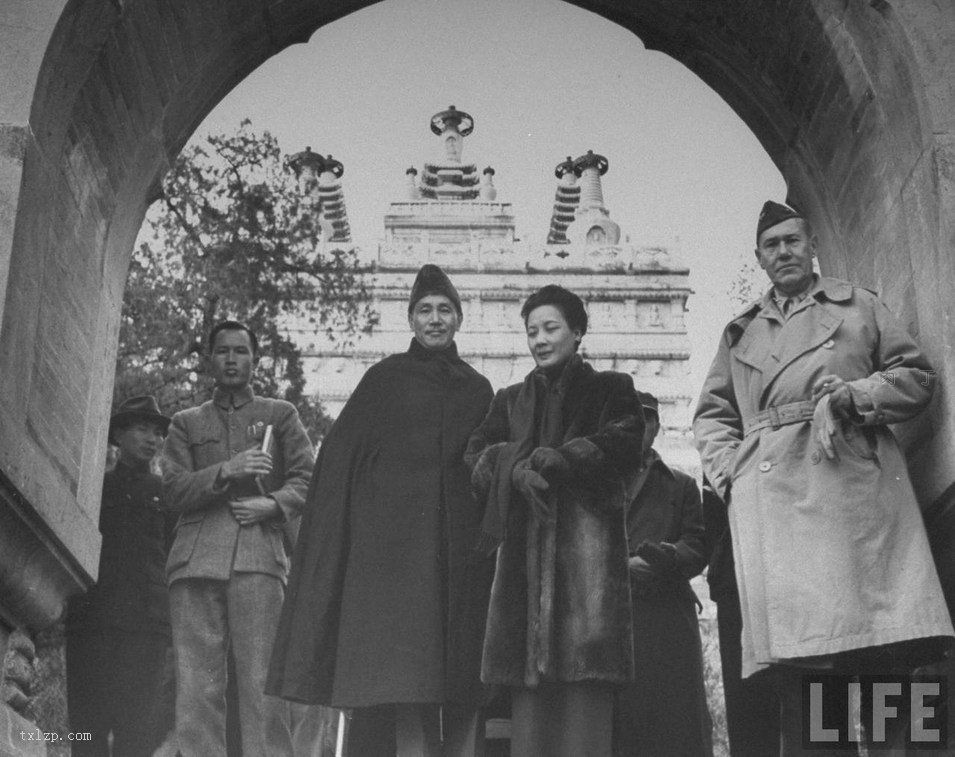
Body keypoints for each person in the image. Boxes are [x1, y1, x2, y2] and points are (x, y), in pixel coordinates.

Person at [693, 201, 953, 754]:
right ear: (759, 258)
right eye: (772, 245)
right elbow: (713, 415)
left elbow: (917, 376)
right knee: (812, 672)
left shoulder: (859, 306)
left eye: (792, 240)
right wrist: (735, 478)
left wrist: (856, 396)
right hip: (779, 502)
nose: (783, 251)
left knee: (889, 654)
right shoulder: (740, 333)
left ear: (812, 245)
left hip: (857, 487)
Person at [267, 264, 495, 756]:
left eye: (444, 311)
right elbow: (339, 461)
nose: (435, 320)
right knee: (405, 682)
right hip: (396, 561)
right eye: (424, 311)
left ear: (459, 319)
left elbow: (486, 468)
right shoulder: (384, 379)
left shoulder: (479, 390)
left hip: (460, 559)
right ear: (410, 320)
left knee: (461, 679)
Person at [464, 284, 644, 757]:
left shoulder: (611, 388)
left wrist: (565, 458)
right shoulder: (509, 400)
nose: (540, 340)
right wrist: (515, 469)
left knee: (585, 725)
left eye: (551, 328)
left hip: (587, 583)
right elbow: (475, 456)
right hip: (521, 585)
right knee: (530, 729)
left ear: (577, 332)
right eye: (531, 332)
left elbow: (627, 439)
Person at [162, 320, 314, 756]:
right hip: (194, 561)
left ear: (256, 360)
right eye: (223, 351)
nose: (231, 359)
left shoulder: (280, 414)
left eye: (241, 351)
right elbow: (171, 489)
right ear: (209, 360)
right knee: (196, 688)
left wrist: (273, 505)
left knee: (263, 685)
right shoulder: (185, 423)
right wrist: (227, 471)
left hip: (258, 558)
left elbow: (308, 480)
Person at [66, 395, 174, 757]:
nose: (153, 439)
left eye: (158, 433)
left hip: (146, 629)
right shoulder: (95, 487)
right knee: (87, 730)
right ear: (119, 434)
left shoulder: (165, 493)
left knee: (137, 732)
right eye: (143, 428)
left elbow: (172, 557)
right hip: (92, 623)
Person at [613, 391, 712, 756]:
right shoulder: (598, 483)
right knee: (620, 727)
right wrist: (620, 566)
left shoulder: (681, 484)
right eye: (626, 422)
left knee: (675, 727)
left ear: (656, 428)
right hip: (613, 617)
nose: (636, 429)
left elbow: (699, 545)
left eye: (645, 421)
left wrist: (666, 558)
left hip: (668, 619)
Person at [700, 476, 779, 756]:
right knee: (747, 704)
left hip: (798, 583)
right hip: (736, 583)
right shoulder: (722, 443)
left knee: (810, 705)